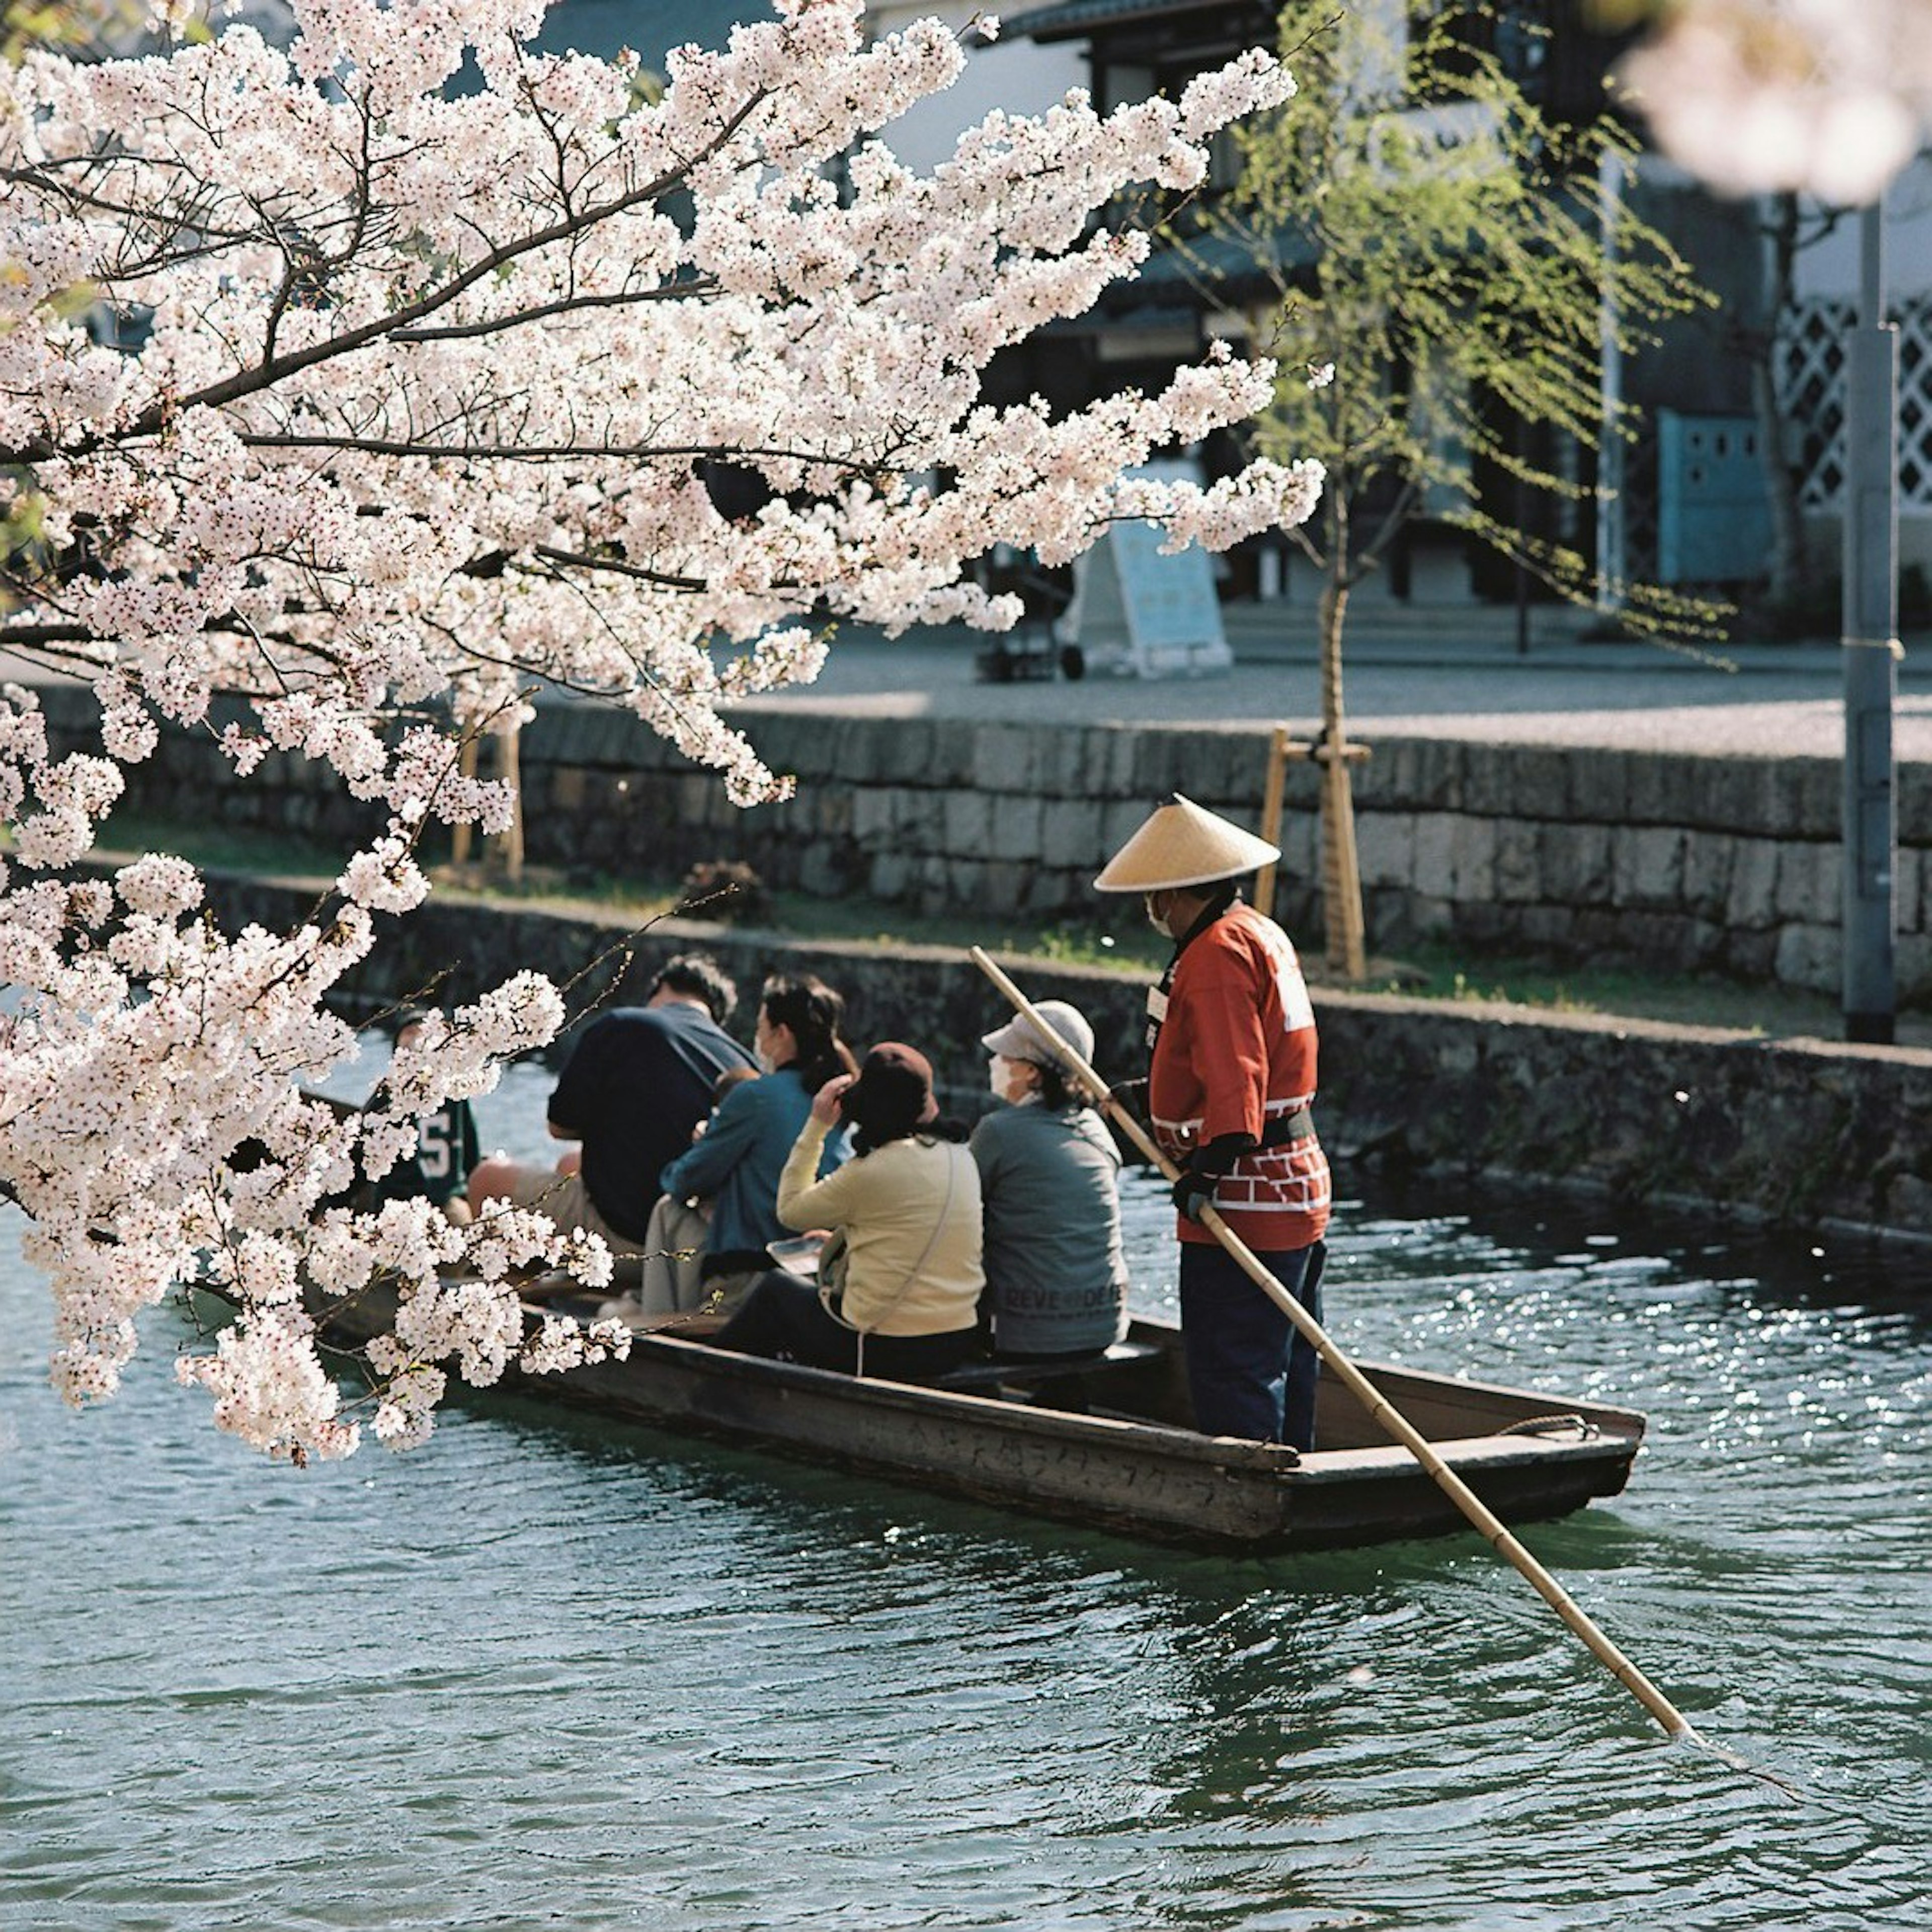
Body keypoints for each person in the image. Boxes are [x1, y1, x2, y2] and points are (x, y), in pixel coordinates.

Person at [1093, 792, 1331, 1448]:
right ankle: (1294, 1463)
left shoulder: (1216, 955)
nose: (1151, 910)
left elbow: (1239, 1073)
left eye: (1155, 897)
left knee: (1235, 1362)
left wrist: (1208, 1170)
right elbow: (1246, 1056)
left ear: (1174, 894)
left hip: (1249, 1190)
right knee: (1288, 1354)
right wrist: (1152, 1096)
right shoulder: (1256, 929)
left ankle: (1253, 1476)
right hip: (1292, 1179)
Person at [711, 1042, 983, 1381]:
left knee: (776, 1292)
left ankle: (707, 1388)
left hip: (884, 1345)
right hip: (954, 1340)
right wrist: (843, 1241)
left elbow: (790, 1210)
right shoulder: (961, 1157)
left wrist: (817, 1126)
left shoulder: (871, 1170)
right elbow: (904, 1230)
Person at [466, 953, 753, 1255]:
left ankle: (513, 1291)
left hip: (626, 1233)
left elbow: (560, 1126)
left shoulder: (623, 1025)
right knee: (570, 1165)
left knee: (488, 1179)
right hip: (695, 1244)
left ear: (660, 988)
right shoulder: (744, 1063)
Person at [641, 976, 858, 1317]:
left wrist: (705, 1144)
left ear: (781, 1034)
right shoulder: (843, 1100)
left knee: (669, 1209)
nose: (757, 1039)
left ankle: (656, 1321)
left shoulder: (756, 1096)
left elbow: (686, 1182)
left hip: (753, 1274)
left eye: (762, 1028)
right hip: (820, 1271)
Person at [970, 998, 1129, 1360]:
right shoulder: (1097, 1129)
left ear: (1031, 1072)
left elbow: (954, 1207)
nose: (995, 1063)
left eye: (1006, 1057)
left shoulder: (999, 1132)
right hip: (1106, 1321)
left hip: (1026, 1330)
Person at [365, 1006, 480, 1224]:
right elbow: (362, 1150)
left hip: (446, 1196)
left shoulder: (454, 1094)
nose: (417, 1039)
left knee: (462, 1224)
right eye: (408, 1033)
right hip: (398, 1200)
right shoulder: (388, 1095)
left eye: (423, 1033)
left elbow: (471, 1148)